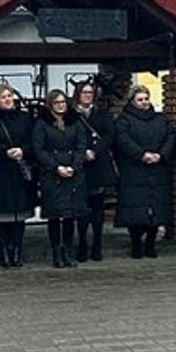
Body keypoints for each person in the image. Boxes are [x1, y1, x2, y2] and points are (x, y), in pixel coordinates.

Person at [115, 85, 174, 258]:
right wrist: (141, 155)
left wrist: (161, 155)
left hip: (157, 170)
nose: (144, 102)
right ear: (132, 101)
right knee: (135, 212)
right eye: (140, 100)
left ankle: (150, 243)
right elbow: (123, 140)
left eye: (146, 99)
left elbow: (170, 136)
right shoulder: (124, 119)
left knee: (156, 211)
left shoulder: (160, 118)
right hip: (134, 170)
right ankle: (136, 243)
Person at [0, 84, 37, 269]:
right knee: (1, 215)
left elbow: (34, 141)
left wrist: (23, 150)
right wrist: (5, 151)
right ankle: (4, 250)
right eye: (3, 97)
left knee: (19, 215)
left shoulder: (25, 118)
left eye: (10, 95)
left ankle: (17, 250)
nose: (8, 99)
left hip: (20, 172)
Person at [33, 89, 88, 269]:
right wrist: (56, 167)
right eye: (56, 103)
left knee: (70, 215)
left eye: (63, 102)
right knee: (55, 216)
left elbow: (81, 146)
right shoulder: (42, 124)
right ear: (50, 105)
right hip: (52, 174)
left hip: (73, 173)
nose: (61, 106)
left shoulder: (75, 121)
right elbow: (39, 149)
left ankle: (68, 252)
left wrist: (74, 166)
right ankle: (57, 251)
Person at [74, 79, 116, 262]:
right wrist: (82, 152)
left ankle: (97, 244)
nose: (88, 96)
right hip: (79, 164)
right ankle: (82, 243)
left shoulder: (102, 113)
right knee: (82, 208)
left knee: (97, 207)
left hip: (98, 164)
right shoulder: (71, 114)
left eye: (90, 93)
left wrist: (95, 151)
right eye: (84, 92)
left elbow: (109, 134)